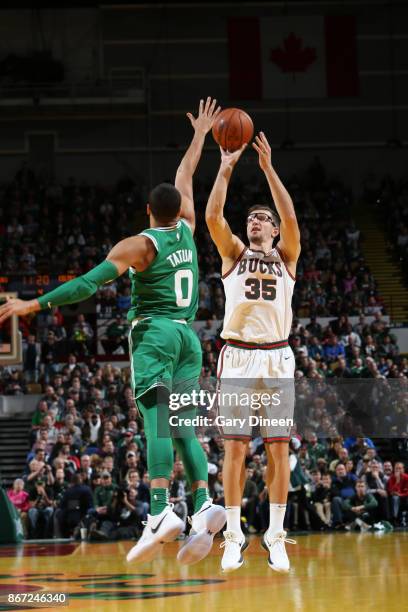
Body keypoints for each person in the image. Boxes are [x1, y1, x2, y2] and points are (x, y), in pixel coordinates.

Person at [0, 97, 226, 566]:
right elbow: (187, 172)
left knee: (156, 422)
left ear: (147, 210)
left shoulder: (140, 245)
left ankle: (161, 512)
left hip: (157, 335)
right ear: (179, 208)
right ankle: (204, 502)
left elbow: (87, 283)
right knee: (184, 427)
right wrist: (200, 135)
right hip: (190, 338)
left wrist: (33, 304)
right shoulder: (187, 229)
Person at [205, 132, 301, 572]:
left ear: (275, 229)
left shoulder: (288, 256)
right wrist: (225, 166)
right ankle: (234, 535)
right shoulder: (234, 254)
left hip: (278, 357)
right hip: (239, 356)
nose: (256, 222)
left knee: (279, 450)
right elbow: (212, 216)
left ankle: (276, 535)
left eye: (263, 218)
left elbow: (290, 213)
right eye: (252, 219)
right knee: (236, 450)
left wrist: (267, 168)